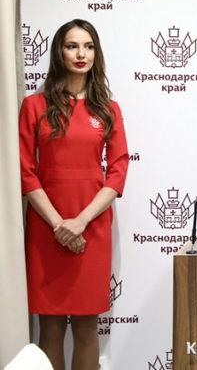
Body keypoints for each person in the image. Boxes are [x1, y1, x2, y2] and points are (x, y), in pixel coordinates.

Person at [18, 19, 129, 370]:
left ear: (96, 53)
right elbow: (25, 171)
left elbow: (118, 170)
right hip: (46, 227)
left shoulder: (108, 108)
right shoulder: (34, 106)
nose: (81, 54)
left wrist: (80, 222)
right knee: (50, 327)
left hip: (91, 227)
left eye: (88, 46)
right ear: (59, 53)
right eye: (72, 46)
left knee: (86, 326)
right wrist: (59, 225)